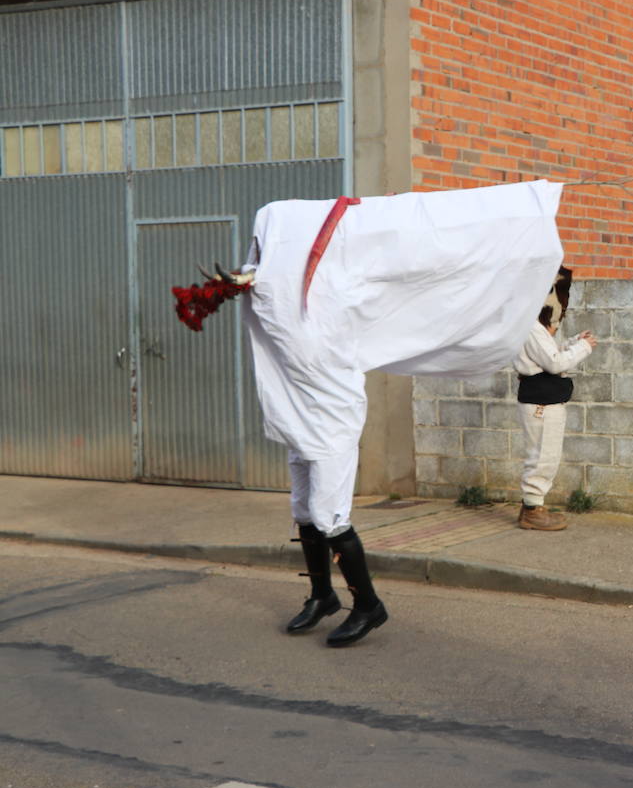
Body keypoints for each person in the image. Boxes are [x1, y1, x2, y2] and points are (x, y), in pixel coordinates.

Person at [176, 181, 567, 647]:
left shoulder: (329, 296)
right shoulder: (275, 296)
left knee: (329, 511)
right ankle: (322, 595)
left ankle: (367, 604)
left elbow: (411, 233)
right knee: (304, 508)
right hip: (302, 413)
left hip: (330, 416)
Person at [512, 267, 596, 531]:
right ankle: (532, 511)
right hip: (541, 401)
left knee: (544, 455)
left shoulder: (531, 325)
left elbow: (551, 352)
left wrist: (573, 341)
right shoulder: (531, 327)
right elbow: (554, 361)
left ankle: (534, 507)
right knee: (542, 457)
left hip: (542, 398)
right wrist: (584, 347)